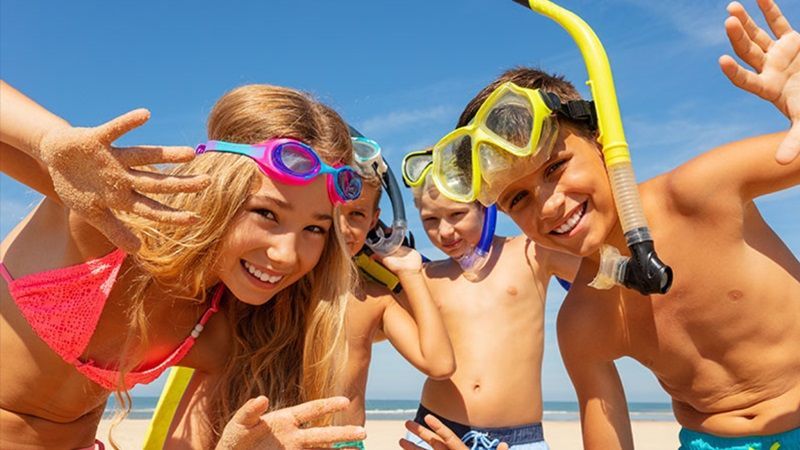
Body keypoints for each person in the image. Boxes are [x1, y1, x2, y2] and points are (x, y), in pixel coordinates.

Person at [428, 1, 800, 449]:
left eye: (554, 168)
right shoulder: (584, 320)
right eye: (519, 198)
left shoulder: (700, 193)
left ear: (602, 139)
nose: (548, 207)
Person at [0, 81, 366, 449]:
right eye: (267, 213)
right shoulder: (112, 215)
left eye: (315, 229)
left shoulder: (222, 330)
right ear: (220, 190)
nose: (287, 254)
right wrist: (49, 137)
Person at [400, 165, 578, 450]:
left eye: (457, 214)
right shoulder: (425, 275)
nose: (444, 231)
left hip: (519, 439)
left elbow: (605, 273)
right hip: (437, 429)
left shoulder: (531, 252)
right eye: (430, 219)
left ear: (486, 206)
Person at [333, 164, 456, 450]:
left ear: (374, 222)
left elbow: (439, 364)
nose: (342, 227)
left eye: (357, 215)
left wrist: (409, 273)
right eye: (333, 212)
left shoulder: (376, 299)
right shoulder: (281, 286)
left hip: (345, 444)